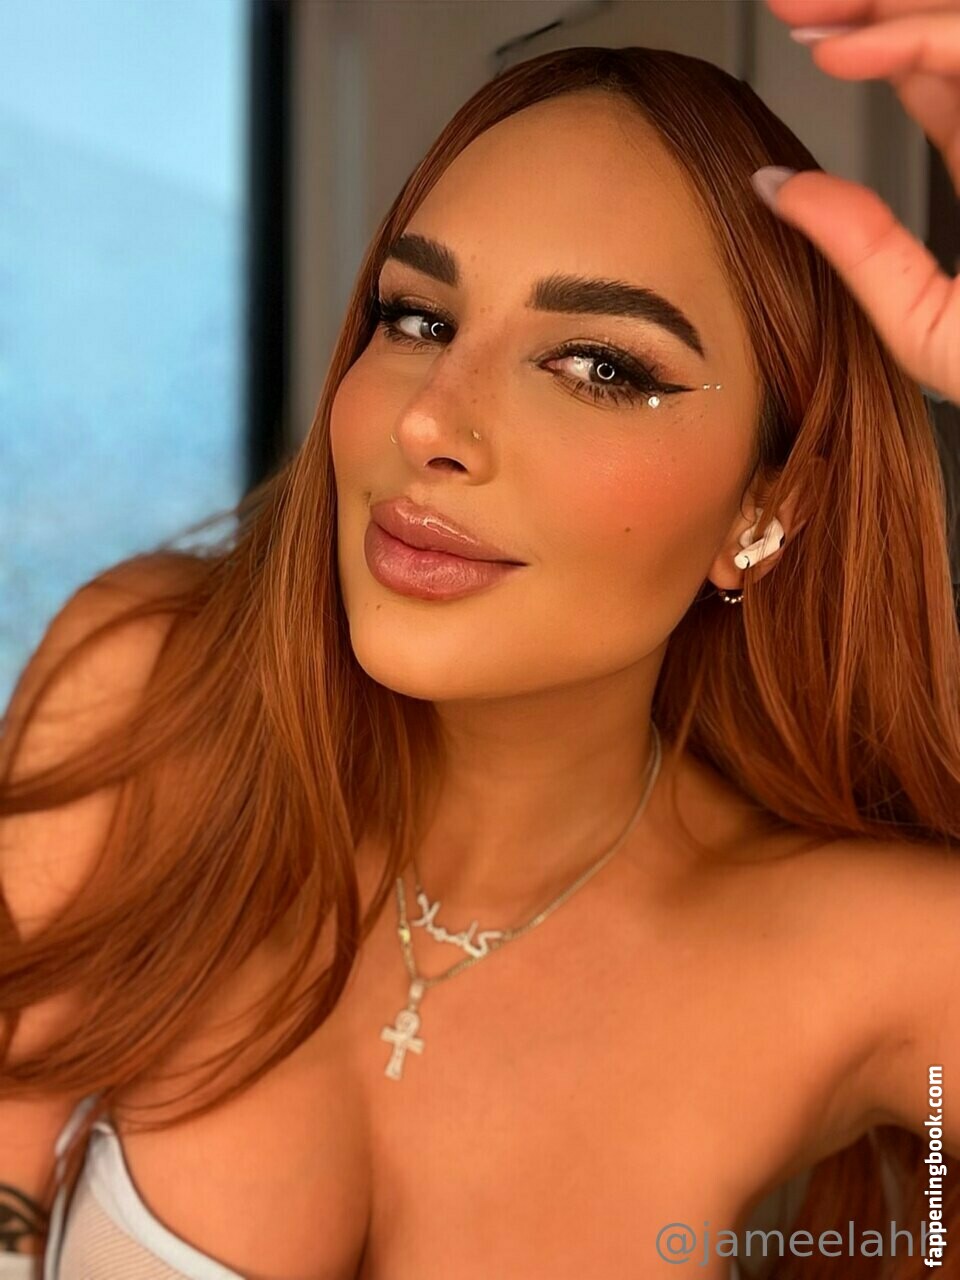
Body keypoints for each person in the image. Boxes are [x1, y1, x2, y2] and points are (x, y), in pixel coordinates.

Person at [2, 4, 959, 1279]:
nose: (432, 423)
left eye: (600, 366)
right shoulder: (149, 698)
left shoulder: (877, 957)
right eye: (418, 318)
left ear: (765, 506)